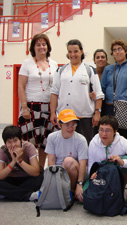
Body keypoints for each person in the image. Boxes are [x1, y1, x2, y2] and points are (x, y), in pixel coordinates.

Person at [50, 39, 104, 144]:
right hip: (64, 115)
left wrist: (97, 112)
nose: (72, 54)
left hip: (84, 116)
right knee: (64, 147)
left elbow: (98, 94)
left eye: (75, 51)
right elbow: (54, 92)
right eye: (70, 52)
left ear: (81, 51)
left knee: (85, 145)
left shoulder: (89, 70)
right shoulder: (61, 70)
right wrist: (52, 112)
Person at [18, 33, 58, 168]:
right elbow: (21, 86)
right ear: (33, 47)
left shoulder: (54, 64)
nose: (41, 47)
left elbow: (56, 88)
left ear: (48, 47)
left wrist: (54, 111)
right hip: (30, 106)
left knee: (44, 141)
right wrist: (24, 108)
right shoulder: (27, 63)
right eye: (38, 44)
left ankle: (40, 169)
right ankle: (29, 169)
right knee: (28, 141)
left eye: (44, 44)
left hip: (48, 107)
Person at [45, 109, 88, 202]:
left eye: (73, 124)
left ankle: (71, 192)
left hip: (76, 173)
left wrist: (79, 184)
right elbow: (51, 161)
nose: (71, 128)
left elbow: (83, 164)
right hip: (59, 173)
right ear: (60, 125)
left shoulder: (81, 139)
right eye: (67, 125)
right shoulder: (52, 138)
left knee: (68, 161)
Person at [101, 39, 127, 143]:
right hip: (108, 108)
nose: (117, 52)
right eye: (114, 50)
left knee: (124, 140)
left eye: (120, 49)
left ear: (125, 51)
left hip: (126, 108)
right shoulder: (108, 69)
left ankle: (124, 159)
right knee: (108, 138)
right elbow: (102, 89)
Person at [88, 115, 127, 184]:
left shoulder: (122, 141)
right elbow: (90, 165)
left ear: (115, 131)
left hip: (116, 176)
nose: (104, 134)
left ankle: (120, 189)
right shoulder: (93, 142)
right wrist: (93, 174)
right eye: (101, 130)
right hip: (99, 175)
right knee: (84, 193)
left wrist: (122, 162)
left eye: (108, 130)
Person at [0, 125, 43, 201]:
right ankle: (29, 195)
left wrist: (20, 161)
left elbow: (36, 172)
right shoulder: (3, 151)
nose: (13, 145)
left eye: (15, 140)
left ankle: (9, 194)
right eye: (9, 142)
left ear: (20, 140)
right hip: (11, 179)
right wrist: (13, 161)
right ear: (5, 144)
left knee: (42, 178)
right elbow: (1, 176)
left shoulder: (28, 147)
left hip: (27, 178)